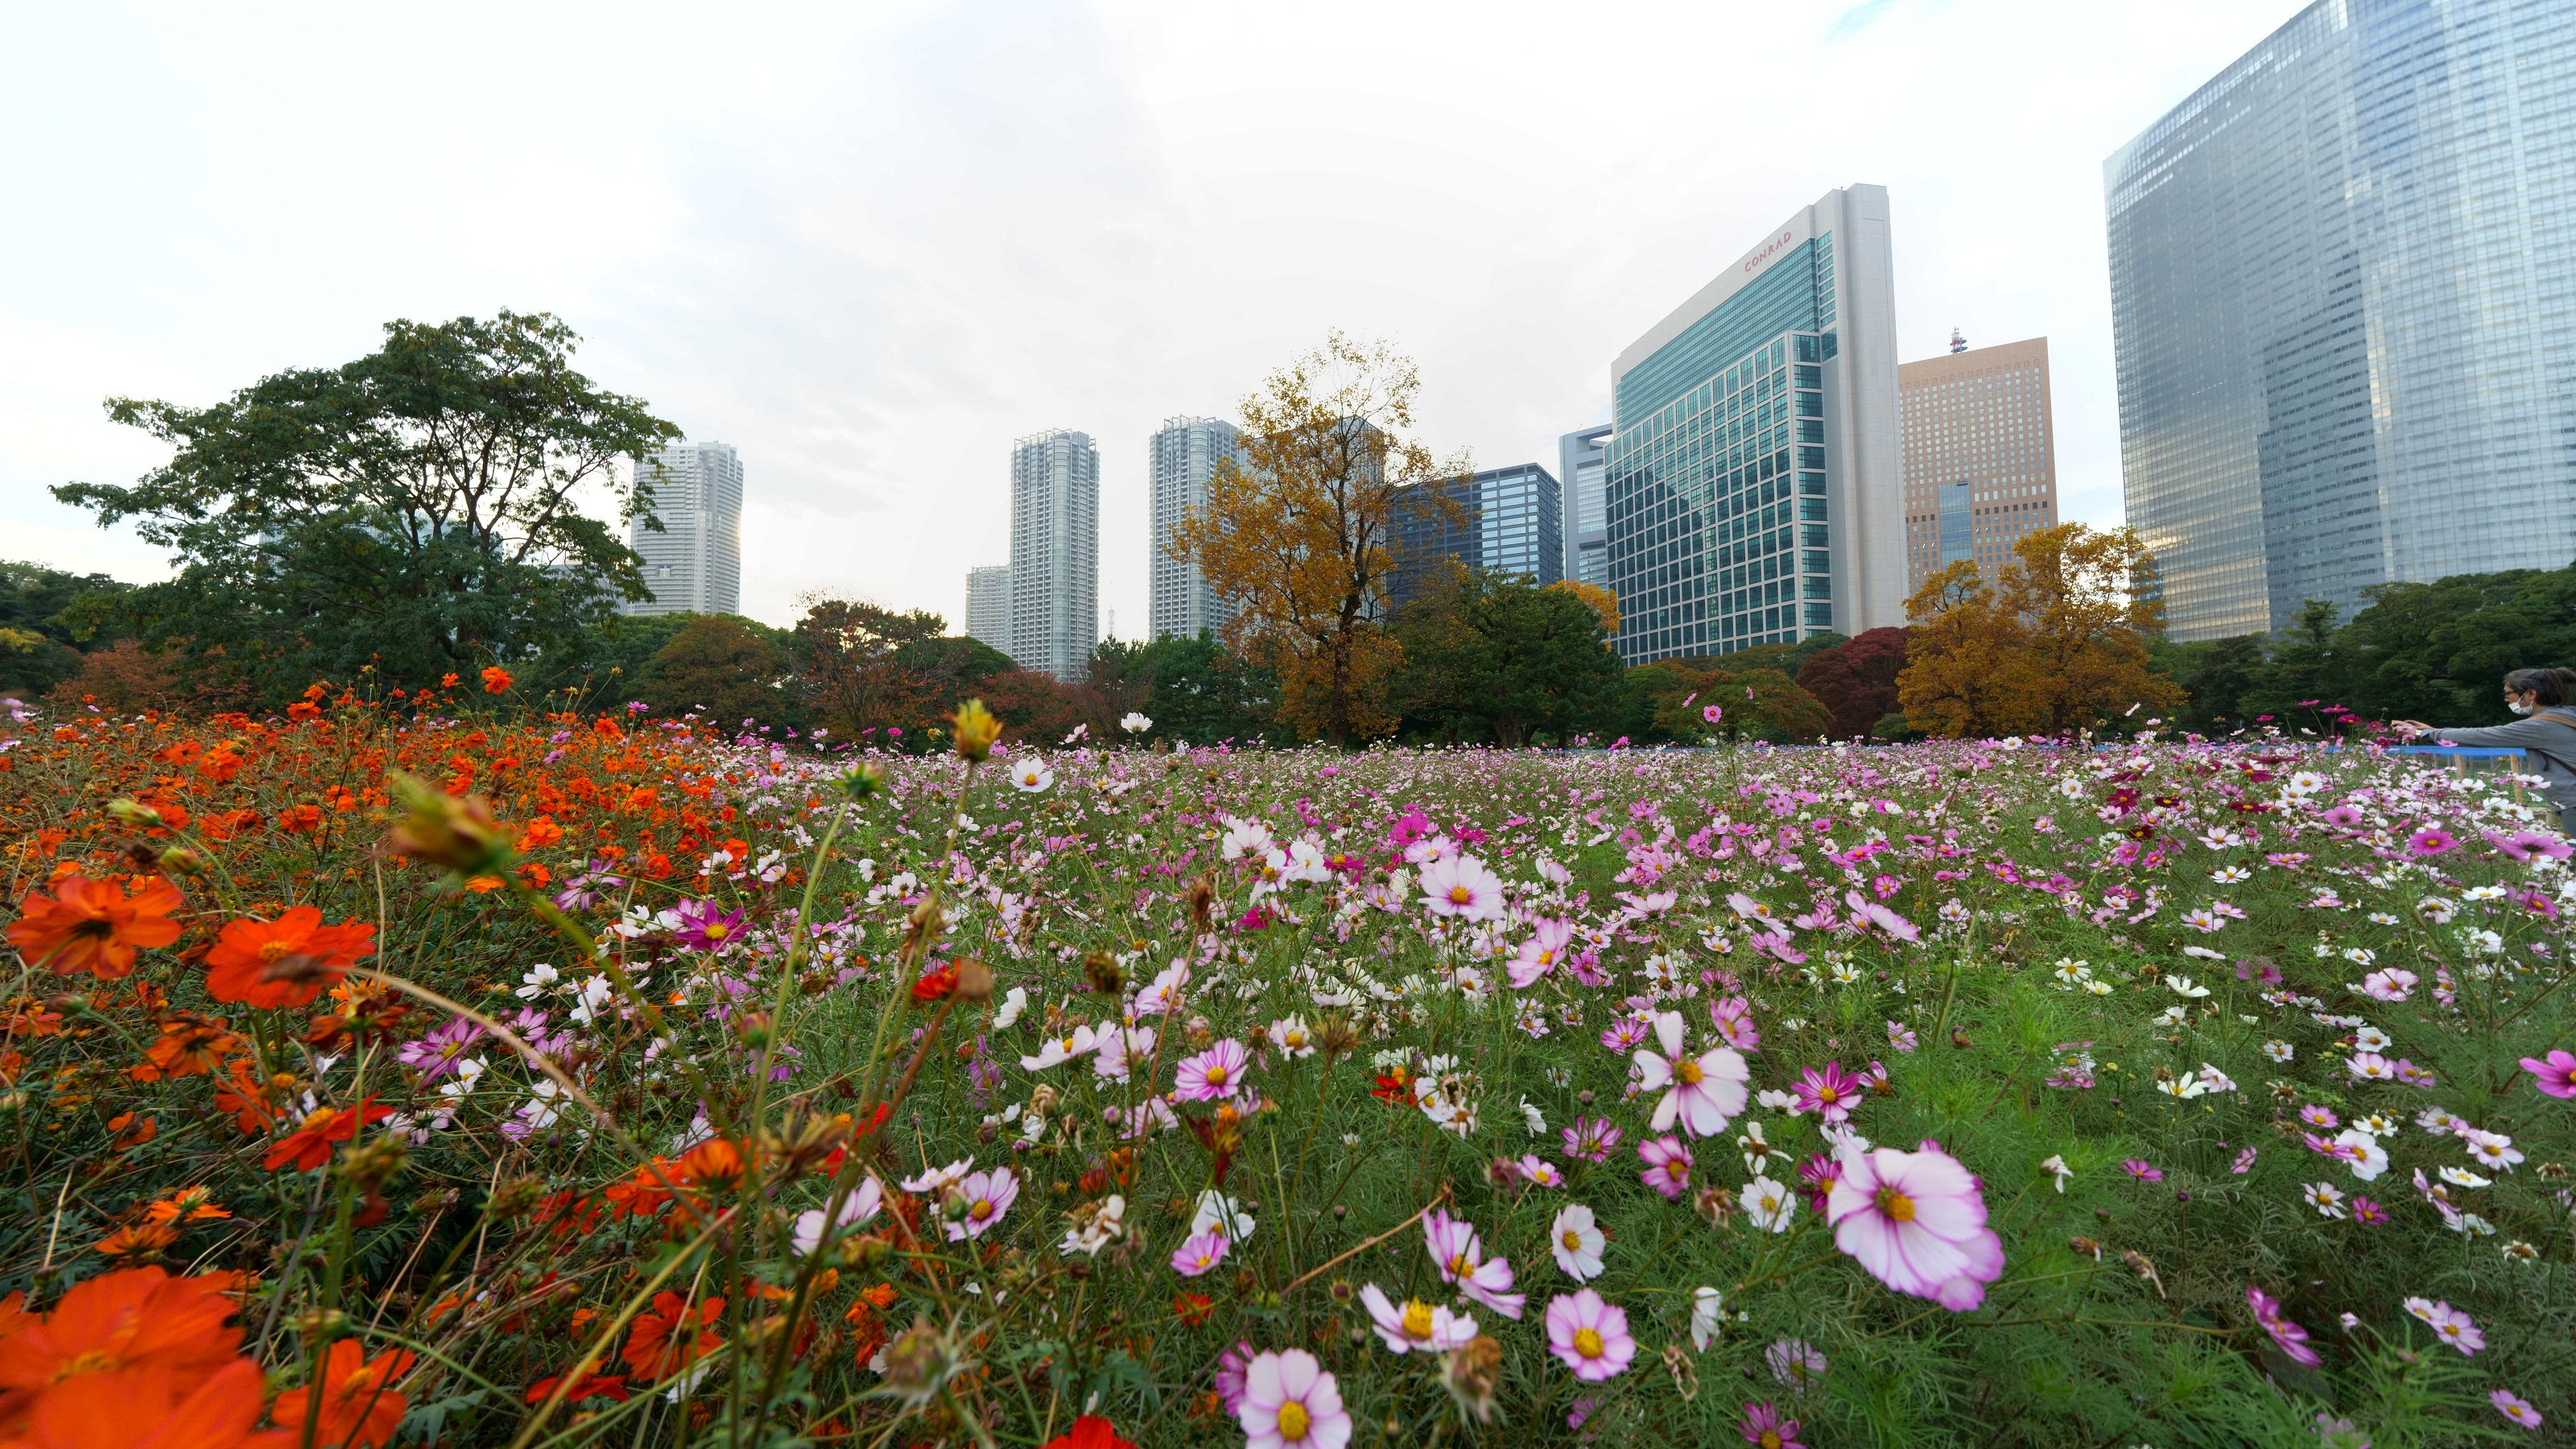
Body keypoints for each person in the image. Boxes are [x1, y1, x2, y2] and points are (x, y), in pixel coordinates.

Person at [2389, 667, 2576, 826]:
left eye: (2508, 693)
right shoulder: (2567, 716)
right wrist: (2435, 731)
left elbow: (2482, 736)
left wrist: (2423, 734)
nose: (2506, 699)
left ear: (2531, 694)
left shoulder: (2538, 726)